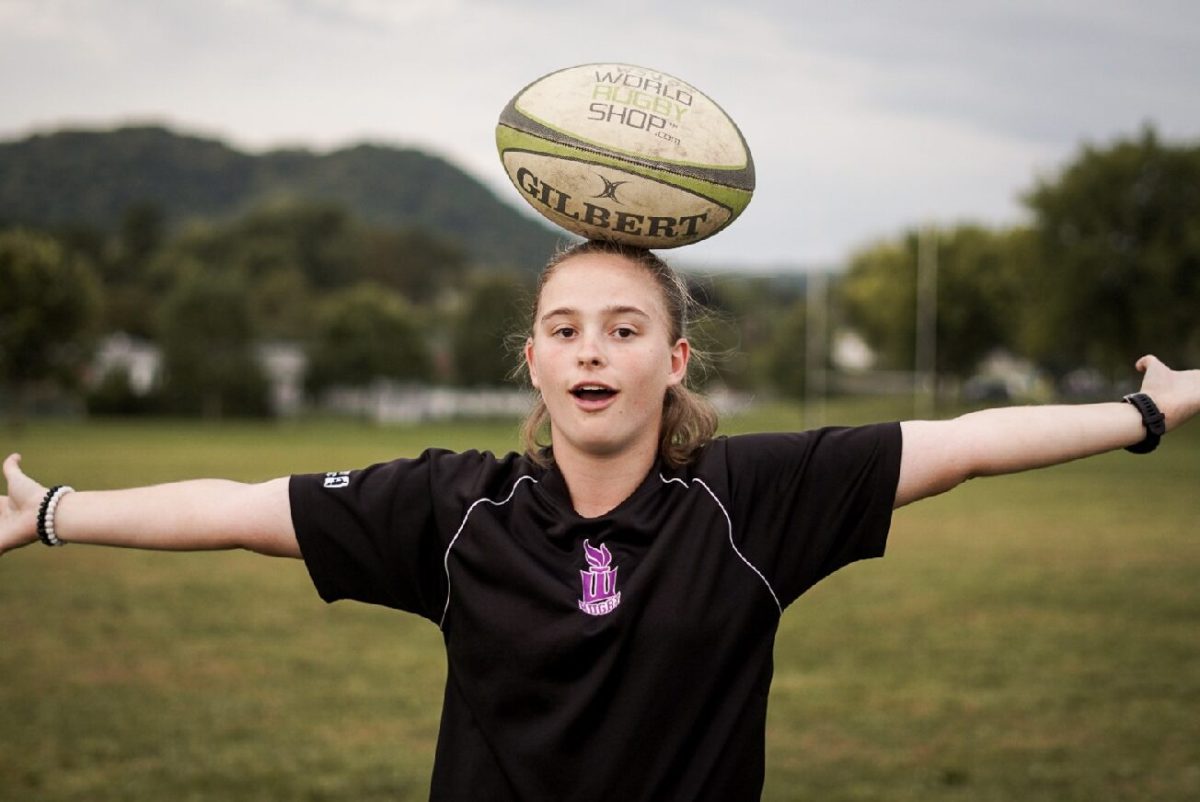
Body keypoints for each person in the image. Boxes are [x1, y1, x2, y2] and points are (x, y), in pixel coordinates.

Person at [2, 239, 1198, 800]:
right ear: (530, 357)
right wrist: (51, 509)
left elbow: (965, 444)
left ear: (673, 361)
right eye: (566, 326)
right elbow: (241, 508)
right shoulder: (454, 511)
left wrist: (1145, 414)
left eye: (625, 328)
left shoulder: (750, 504)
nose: (592, 350)